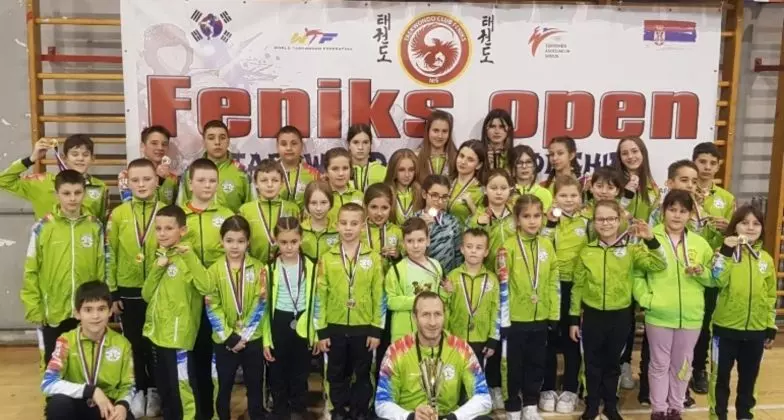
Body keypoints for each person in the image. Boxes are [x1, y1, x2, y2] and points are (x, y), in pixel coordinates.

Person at [571, 200, 667, 420]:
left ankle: (611, 406)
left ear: (619, 220)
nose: (606, 223)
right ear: (594, 222)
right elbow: (577, 287)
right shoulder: (587, 251)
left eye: (611, 219)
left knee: (613, 363)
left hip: (620, 316)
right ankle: (592, 405)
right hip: (592, 316)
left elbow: (659, 264)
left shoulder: (631, 250)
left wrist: (650, 239)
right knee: (591, 364)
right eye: (600, 219)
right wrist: (574, 318)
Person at [633, 190, 715, 420]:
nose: (677, 215)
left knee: (683, 364)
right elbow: (636, 274)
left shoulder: (700, 244)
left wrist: (702, 272)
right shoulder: (649, 237)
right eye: (672, 209)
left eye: (683, 211)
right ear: (663, 211)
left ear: (690, 215)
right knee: (659, 363)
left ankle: (675, 408)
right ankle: (658, 409)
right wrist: (647, 300)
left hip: (691, 315)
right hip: (659, 313)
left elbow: (714, 278)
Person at [21, 169, 106, 366]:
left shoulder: (95, 226)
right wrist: (34, 306)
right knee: (54, 363)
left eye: (77, 192)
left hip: (86, 309)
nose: (72, 198)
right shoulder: (42, 227)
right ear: (56, 194)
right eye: (66, 193)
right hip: (53, 310)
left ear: (84, 193)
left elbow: (101, 267)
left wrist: (101, 301)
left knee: (85, 363)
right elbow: (31, 269)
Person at [142, 205, 213, 420]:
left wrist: (189, 257)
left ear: (182, 230)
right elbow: (146, 294)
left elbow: (206, 286)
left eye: (168, 228)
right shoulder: (159, 256)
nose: (162, 233)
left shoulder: (187, 257)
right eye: (158, 229)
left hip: (179, 337)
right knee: (166, 388)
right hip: (157, 333)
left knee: (183, 388)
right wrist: (158, 267)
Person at [375, 291, 493, 420]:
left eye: (437, 314)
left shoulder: (461, 349)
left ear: (444, 315)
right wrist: (410, 416)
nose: (432, 322)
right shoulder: (396, 351)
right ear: (414, 317)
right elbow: (382, 402)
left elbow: (483, 398)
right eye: (425, 314)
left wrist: (454, 417)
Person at [316, 203, 384, 420]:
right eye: (344, 223)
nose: (348, 228)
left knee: (362, 373)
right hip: (334, 326)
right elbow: (320, 296)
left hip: (364, 326)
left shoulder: (373, 258)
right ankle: (337, 409)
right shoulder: (327, 258)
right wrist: (321, 330)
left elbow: (379, 295)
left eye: (354, 223)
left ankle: (360, 409)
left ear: (363, 226)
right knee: (335, 372)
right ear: (337, 225)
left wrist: (376, 329)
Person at [708, 205, 776, 420]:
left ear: (762, 228)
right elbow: (716, 280)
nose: (750, 228)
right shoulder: (722, 253)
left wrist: (770, 324)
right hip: (725, 330)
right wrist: (726, 253)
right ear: (734, 226)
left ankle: (745, 415)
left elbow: (770, 296)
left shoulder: (766, 259)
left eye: (756, 223)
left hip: (756, 330)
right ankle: (718, 416)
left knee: (749, 380)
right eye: (744, 223)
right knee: (720, 379)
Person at [106, 158, 163, 417]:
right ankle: (139, 389)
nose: (141, 184)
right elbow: (110, 252)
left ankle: (156, 390)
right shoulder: (118, 214)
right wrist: (113, 291)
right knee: (134, 344)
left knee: (157, 344)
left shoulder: (165, 211)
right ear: (127, 182)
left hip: (159, 288)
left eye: (147, 179)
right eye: (135, 180)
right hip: (128, 289)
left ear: (156, 181)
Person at [500, 194, 559, 420]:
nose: (532, 221)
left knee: (536, 363)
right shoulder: (507, 247)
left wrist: (553, 313)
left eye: (536, 216)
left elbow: (553, 281)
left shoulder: (547, 245)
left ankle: (531, 404)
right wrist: (504, 319)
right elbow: (503, 286)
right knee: (514, 365)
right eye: (526, 216)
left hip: (540, 316)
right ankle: (513, 405)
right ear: (517, 219)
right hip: (515, 319)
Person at [41, 281, 135, 420]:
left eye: (101, 309)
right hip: (76, 401)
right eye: (88, 310)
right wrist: (90, 391)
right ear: (77, 313)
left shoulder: (123, 344)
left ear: (110, 311)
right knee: (58, 405)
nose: (95, 316)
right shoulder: (66, 341)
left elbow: (129, 386)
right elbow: (48, 383)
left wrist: (123, 405)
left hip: (106, 405)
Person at [205, 215, 268, 420]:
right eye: (229, 240)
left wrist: (244, 335)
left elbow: (261, 302)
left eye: (240, 241)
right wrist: (229, 337)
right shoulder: (213, 271)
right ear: (221, 241)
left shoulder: (259, 268)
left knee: (255, 384)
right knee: (223, 385)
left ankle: (257, 415)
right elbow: (212, 305)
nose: (235, 246)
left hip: (252, 338)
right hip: (224, 340)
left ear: (248, 242)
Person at [538, 175, 588, 414]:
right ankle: (547, 387)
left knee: (572, 339)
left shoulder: (587, 222)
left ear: (581, 197)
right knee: (549, 339)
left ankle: (570, 388)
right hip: (551, 287)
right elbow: (542, 248)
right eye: (563, 195)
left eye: (573, 195)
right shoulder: (548, 221)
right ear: (554, 197)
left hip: (576, 288)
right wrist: (550, 224)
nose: (569, 200)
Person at [690, 142, 736, 395]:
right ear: (694, 162)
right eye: (702, 162)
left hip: (711, 270)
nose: (706, 167)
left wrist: (729, 228)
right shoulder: (684, 192)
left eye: (712, 163)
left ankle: (699, 368)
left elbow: (737, 234)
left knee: (705, 321)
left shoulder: (726, 199)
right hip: (685, 266)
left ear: (718, 166)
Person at [262, 217, 317, 420]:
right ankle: (280, 410)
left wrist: (315, 333)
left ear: (301, 239)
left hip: (303, 320)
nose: (289, 247)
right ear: (275, 240)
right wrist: (266, 339)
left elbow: (317, 302)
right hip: (279, 322)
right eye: (283, 242)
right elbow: (263, 308)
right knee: (277, 371)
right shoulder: (269, 268)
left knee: (300, 371)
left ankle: (298, 409)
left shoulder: (312, 266)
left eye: (293, 241)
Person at [0, 135, 107, 220]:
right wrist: (31, 159)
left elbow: (101, 223)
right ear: (64, 158)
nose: (80, 158)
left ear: (92, 158)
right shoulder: (41, 182)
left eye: (85, 155)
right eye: (74, 154)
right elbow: (3, 180)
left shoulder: (100, 187)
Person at [443, 228, 500, 371]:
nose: (473, 251)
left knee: (477, 378)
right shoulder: (452, 277)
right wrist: (445, 335)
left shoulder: (492, 280)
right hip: (456, 338)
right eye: (469, 246)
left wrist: (493, 338)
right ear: (462, 249)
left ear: (486, 252)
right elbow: (446, 308)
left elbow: (496, 311)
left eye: (479, 247)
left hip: (482, 339)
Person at [385, 217, 445, 342]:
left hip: (430, 330)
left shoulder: (436, 266)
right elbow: (390, 301)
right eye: (410, 241)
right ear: (403, 243)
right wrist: (418, 301)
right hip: (403, 332)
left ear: (428, 241)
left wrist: (446, 292)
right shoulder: (396, 270)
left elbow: (439, 296)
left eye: (420, 240)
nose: (415, 245)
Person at [178, 120, 253, 213]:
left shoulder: (242, 173)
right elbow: (180, 209)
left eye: (222, 138)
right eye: (211, 138)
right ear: (204, 142)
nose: (217, 142)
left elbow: (252, 210)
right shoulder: (191, 172)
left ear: (228, 141)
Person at [239, 158, 300, 264]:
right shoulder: (245, 210)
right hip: (255, 266)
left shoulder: (293, 209)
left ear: (282, 183)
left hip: (285, 266)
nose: (270, 185)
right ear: (256, 183)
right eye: (264, 180)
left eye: (275, 180)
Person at [413, 175, 463, 274]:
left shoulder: (452, 222)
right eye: (435, 195)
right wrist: (422, 228)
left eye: (444, 197)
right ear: (424, 194)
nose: (440, 201)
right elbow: (407, 253)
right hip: (419, 276)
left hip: (447, 278)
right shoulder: (413, 220)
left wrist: (454, 277)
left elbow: (459, 257)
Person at [119, 126, 179, 205]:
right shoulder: (127, 174)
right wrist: (159, 180)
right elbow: (128, 203)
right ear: (143, 146)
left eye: (164, 144)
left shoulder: (172, 178)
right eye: (154, 143)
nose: (160, 148)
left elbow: (175, 206)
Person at [276, 125, 320, 209]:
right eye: (284, 144)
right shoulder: (268, 172)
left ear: (302, 145)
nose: (289, 148)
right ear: (277, 147)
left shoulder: (313, 174)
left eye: (294, 143)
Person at [446, 140, 487, 225]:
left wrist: (471, 205)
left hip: (466, 233)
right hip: (441, 232)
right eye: (461, 156)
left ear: (479, 165)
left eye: (470, 160)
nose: (463, 162)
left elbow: (484, 224)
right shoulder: (446, 182)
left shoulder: (481, 191)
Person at [301, 180, 339, 262]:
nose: (319, 208)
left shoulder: (338, 230)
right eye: (313, 203)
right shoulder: (300, 230)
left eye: (323, 202)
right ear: (307, 204)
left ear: (331, 204)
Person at [324, 147, 365, 221]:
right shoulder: (320, 196)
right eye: (335, 169)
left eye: (345, 168)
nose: (341, 173)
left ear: (351, 170)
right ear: (326, 172)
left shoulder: (360, 196)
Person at [416, 110, 457, 182]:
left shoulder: (457, 158)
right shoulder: (416, 157)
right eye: (436, 131)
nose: (440, 136)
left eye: (444, 131)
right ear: (428, 131)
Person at [384, 148, 421, 225]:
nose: (407, 175)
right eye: (401, 170)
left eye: (411, 170)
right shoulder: (384, 194)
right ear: (393, 170)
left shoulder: (421, 194)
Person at [348, 124, 387, 192]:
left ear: (371, 144)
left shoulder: (383, 171)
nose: (360, 147)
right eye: (355, 142)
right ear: (349, 144)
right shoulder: (342, 171)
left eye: (365, 142)